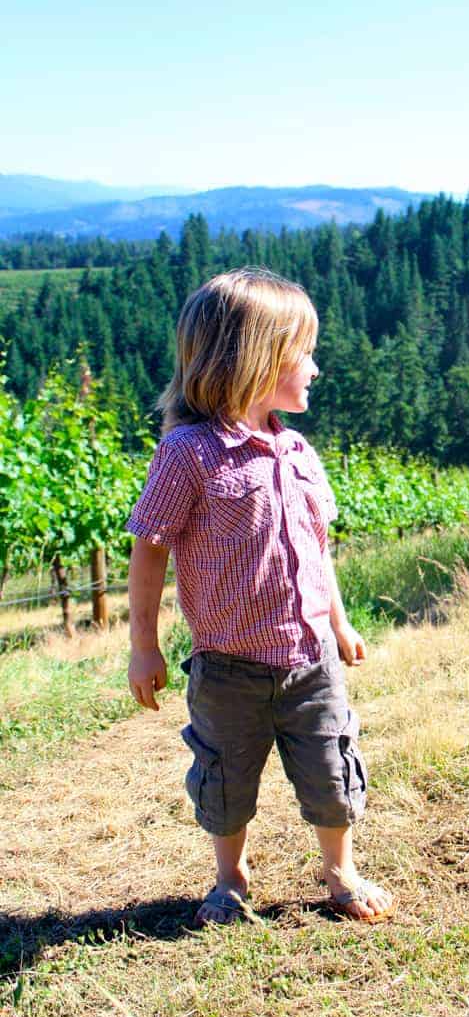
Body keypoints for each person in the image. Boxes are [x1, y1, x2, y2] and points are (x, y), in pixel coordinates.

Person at [126, 267, 395, 926]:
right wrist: (143, 646)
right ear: (255, 359)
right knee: (224, 778)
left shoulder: (299, 452)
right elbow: (150, 544)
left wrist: (340, 621)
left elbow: (317, 549)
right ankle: (230, 877)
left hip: (310, 657)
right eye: (304, 351)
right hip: (227, 665)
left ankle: (341, 870)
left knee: (332, 766)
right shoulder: (189, 453)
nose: (316, 367)